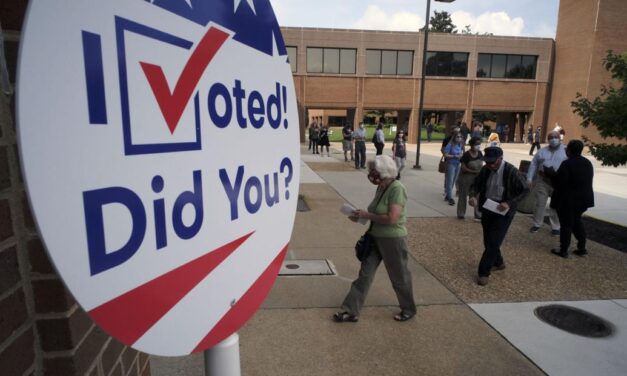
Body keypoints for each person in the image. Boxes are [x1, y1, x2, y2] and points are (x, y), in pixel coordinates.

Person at [334, 155, 416, 322]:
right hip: (375, 238)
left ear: (384, 172)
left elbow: (392, 218)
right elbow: (376, 213)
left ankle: (408, 308)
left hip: (393, 240)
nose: (371, 174)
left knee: (399, 276)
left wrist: (367, 215)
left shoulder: (397, 188)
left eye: (374, 171)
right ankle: (350, 310)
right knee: (364, 275)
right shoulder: (381, 187)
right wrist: (359, 216)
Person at [469, 147, 528, 286]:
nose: (490, 165)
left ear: (500, 159)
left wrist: (509, 202)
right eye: (487, 162)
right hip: (488, 207)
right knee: (488, 239)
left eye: (492, 162)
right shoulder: (485, 170)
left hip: (504, 211)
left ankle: (483, 272)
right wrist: (472, 196)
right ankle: (499, 262)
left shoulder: (511, 171)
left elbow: (525, 190)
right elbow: (475, 185)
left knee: (494, 241)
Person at [549, 140, 594, 258]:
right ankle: (582, 248)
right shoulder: (587, 163)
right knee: (577, 222)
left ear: (569, 150)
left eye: (566, 148)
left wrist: (551, 176)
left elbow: (560, 183)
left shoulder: (567, 164)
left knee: (566, 224)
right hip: (583, 200)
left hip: (568, 200)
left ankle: (563, 250)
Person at [526, 130, 567, 235]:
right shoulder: (542, 151)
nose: (553, 139)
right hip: (543, 181)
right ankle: (536, 224)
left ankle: (556, 227)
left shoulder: (566, 150)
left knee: (556, 205)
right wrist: (530, 178)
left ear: (559, 138)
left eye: (555, 137)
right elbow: (534, 164)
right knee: (539, 203)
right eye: (551, 137)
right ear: (548, 139)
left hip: (559, 182)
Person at [457, 137, 483, 219]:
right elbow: (463, 168)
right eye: (476, 144)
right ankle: (461, 213)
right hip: (466, 178)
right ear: (471, 145)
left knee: (477, 196)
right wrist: (474, 172)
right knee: (463, 196)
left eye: (479, 144)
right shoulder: (466, 155)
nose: (478, 146)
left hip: (477, 178)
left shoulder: (480, 153)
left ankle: (478, 213)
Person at [443, 131, 464, 206]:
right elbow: (445, 155)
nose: (459, 138)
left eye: (460, 137)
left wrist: (461, 155)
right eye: (457, 137)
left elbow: (462, 153)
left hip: (458, 164)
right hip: (451, 164)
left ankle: (448, 195)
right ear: (454, 137)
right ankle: (450, 198)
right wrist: (454, 156)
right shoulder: (450, 145)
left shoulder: (460, 145)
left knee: (454, 180)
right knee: (450, 180)